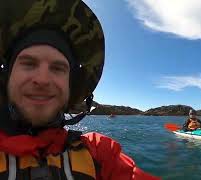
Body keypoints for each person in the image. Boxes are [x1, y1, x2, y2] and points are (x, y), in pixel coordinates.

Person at [0, 0, 159, 179]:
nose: (42, 79)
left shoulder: (100, 153)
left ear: (71, 85)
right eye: (28, 63)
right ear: (6, 77)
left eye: (58, 68)